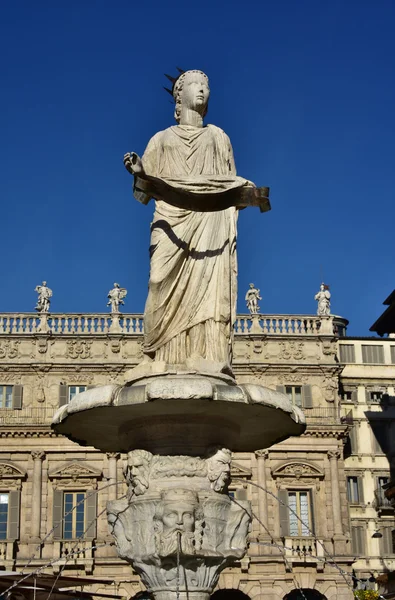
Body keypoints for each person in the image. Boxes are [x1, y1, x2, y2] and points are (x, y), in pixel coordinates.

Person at [124, 70, 263, 370]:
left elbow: (228, 184)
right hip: (170, 220)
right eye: (194, 85)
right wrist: (138, 172)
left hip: (210, 221)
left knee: (210, 289)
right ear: (179, 96)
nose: (202, 90)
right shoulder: (161, 139)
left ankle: (208, 356)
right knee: (158, 282)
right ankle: (160, 356)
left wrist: (248, 193)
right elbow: (144, 194)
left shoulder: (218, 137)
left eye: (206, 86)